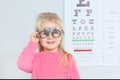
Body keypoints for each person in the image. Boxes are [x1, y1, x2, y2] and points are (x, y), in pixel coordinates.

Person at [17, 12, 80, 79]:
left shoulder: (67, 58)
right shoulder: (36, 59)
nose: (50, 37)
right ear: (38, 36)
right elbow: (23, 65)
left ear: (61, 35)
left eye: (55, 32)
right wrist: (32, 44)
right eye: (45, 33)